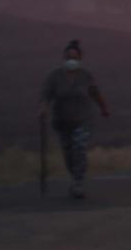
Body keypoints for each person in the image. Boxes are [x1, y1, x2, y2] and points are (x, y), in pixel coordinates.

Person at [39, 40, 111, 199]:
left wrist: (104, 108)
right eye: (68, 57)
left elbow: (95, 93)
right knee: (68, 152)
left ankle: (78, 182)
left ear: (79, 59)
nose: (71, 60)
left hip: (83, 119)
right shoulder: (54, 76)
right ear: (64, 58)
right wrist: (43, 109)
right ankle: (74, 177)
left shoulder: (86, 75)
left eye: (74, 57)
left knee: (79, 147)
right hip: (62, 121)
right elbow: (46, 96)